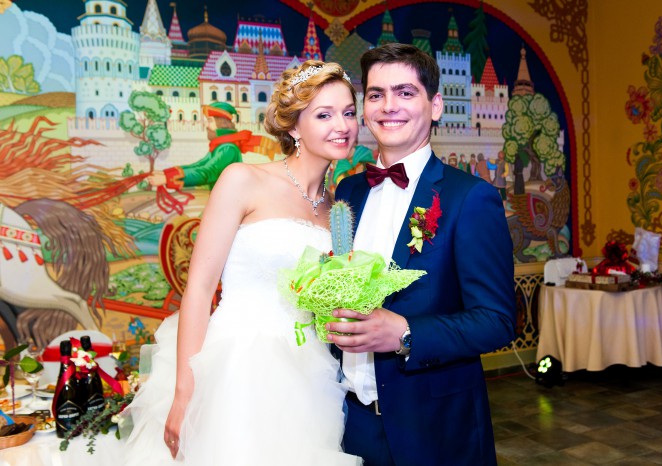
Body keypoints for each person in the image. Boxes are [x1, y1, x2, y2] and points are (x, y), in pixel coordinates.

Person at [123, 60, 362, 466]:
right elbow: (199, 289)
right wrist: (185, 391)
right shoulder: (242, 179)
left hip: (311, 375)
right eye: (324, 115)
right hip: (236, 367)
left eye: (349, 113)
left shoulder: (338, 208)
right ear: (294, 127)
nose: (342, 125)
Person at [328, 43, 516, 466]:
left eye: (405, 92)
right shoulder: (349, 191)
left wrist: (405, 333)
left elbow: (497, 320)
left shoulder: (470, 198)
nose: (388, 106)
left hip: (435, 430)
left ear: (435, 106)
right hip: (349, 422)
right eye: (376, 94)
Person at [147, 102, 277, 191]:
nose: (206, 125)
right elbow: (199, 165)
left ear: (220, 123)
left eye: (210, 121)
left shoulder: (228, 149)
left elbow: (208, 172)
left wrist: (167, 178)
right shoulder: (221, 146)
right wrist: (167, 174)